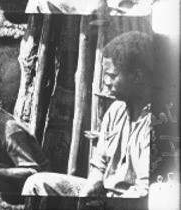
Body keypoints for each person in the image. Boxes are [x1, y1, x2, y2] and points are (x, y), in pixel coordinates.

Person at [22, 31, 153, 198]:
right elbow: (99, 167)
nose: (105, 81)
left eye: (112, 75)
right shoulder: (115, 111)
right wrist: (86, 196)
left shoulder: (156, 122)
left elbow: (145, 192)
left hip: (131, 201)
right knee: (37, 184)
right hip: (105, 195)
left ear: (137, 76)